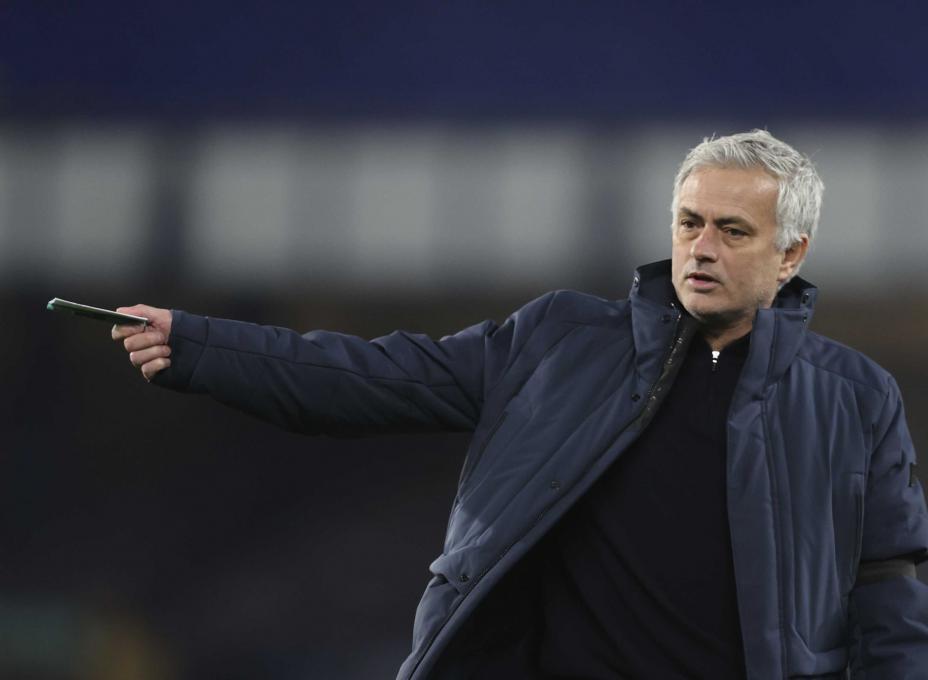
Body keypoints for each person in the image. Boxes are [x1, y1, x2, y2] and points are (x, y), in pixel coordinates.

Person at [112, 130, 928, 679]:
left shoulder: (854, 398)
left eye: (732, 231)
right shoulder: (560, 340)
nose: (701, 248)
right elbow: (377, 376)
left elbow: (887, 586)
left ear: (791, 253)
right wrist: (202, 345)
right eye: (688, 223)